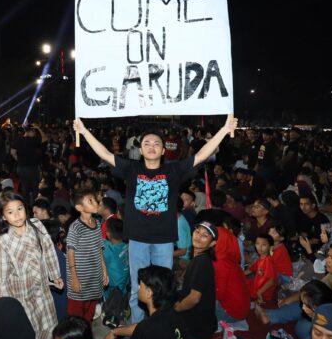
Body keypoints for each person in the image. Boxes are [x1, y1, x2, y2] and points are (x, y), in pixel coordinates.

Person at [73, 115, 238, 323]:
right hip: (137, 239)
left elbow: (201, 155)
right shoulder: (132, 169)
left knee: (163, 289)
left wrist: (224, 130)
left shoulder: (173, 170)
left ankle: (161, 327)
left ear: (163, 150)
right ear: (140, 150)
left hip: (163, 240)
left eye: (156, 144)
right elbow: (105, 154)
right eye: (147, 143)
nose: (152, 147)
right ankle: (138, 329)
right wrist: (84, 130)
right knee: (137, 289)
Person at [0, 192, 63, 339]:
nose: (17, 215)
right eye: (10, 212)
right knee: (30, 331)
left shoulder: (36, 225)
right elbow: (3, 277)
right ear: (4, 217)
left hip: (41, 288)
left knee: (48, 326)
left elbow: (48, 250)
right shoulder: (4, 241)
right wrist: (6, 306)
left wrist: (55, 275)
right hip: (20, 295)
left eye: (20, 209)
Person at [103, 265, 188, 339]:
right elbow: (140, 327)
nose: (138, 287)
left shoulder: (148, 328)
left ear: (149, 293)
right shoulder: (172, 314)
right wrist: (115, 332)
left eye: (140, 285)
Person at [66, 190, 108, 321]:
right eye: (90, 201)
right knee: (76, 316)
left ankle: (86, 336)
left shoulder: (97, 223)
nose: (95, 202)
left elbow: (99, 249)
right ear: (79, 208)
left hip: (94, 277)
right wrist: (74, 278)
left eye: (95, 200)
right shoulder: (75, 227)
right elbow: (70, 252)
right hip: (80, 278)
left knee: (89, 313)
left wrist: (104, 271)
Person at [174, 221, 217, 339]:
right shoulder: (200, 258)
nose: (198, 236)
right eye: (197, 232)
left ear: (212, 243)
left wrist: (175, 310)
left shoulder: (201, 262)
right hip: (200, 321)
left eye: (205, 236)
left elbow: (194, 298)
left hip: (196, 326)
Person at [246, 234, 277, 305]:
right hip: (257, 285)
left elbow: (271, 281)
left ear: (270, 247)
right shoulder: (260, 259)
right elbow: (250, 270)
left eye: (264, 245)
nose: (259, 247)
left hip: (263, 292)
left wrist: (259, 292)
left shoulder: (268, 261)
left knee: (239, 289)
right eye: (257, 244)